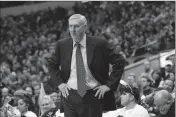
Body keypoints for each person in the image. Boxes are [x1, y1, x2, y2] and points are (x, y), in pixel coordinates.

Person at [47, 14, 125, 117]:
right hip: (69, 95)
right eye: (70, 26)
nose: (72, 30)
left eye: (76, 26)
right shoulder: (62, 45)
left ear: (85, 27)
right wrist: (60, 84)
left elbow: (119, 61)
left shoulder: (99, 44)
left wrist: (108, 85)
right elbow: (52, 64)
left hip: (93, 95)